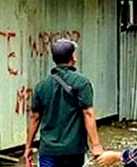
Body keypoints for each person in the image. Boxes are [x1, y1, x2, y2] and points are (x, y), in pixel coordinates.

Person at [24, 39, 103, 167]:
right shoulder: (82, 83)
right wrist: (96, 145)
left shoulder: (41, 86)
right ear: (72, 58)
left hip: (48, 150)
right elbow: (88, 113)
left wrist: (28, 147)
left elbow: (34, 118)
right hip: (73, 150)